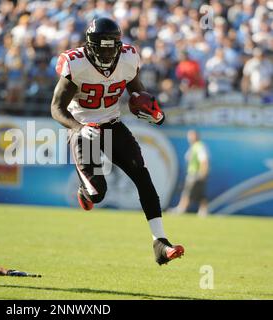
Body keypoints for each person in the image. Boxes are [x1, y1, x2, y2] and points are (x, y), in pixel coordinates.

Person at [50, 17, 184, 266]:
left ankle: (160, 243)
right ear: (90, 45)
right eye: (102, 46)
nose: (108, 51)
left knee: (142, 177)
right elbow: (56, 108)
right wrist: (78, 128)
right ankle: (85, 193)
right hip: (84, 128)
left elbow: (138, 94)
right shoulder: (75, 64)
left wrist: (153, 112)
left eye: (112, 46)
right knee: (98, 193)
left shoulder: (128, 58)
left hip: (112, 124)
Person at [172, 130, 209, 217]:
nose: (189, 138)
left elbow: (204, 161)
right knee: (199, 193)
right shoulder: (194, 146)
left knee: (188, 191)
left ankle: (181, 208)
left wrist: (203, 173)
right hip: (193, 173)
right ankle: (203, 210)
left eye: (191, 136)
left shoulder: (199, 146)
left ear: (195, 136)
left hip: (196, 173)